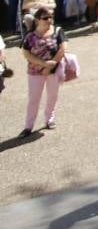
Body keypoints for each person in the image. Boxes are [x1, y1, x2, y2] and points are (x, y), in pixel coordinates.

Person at [20, 8, 64, 136]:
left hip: (53, 70)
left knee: (52, 96)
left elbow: (62, 49)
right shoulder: (30, 35)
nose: (49, 20)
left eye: (50, 17)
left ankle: (50, 119)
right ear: (37, 20)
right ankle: (28, 126)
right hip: (35, 72)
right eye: (45, 18)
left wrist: (49, 66)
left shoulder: (57, 31)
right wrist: (44, 64)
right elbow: (26, 54)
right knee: (34, 99)